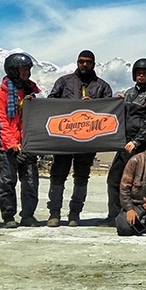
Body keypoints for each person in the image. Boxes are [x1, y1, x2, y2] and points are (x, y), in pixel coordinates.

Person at [44, 50, 111, 227]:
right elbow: (50, 103)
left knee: (82, 177)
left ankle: (75, 214)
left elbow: (109, 111)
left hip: (88, 141)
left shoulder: (102, 86)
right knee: (58, 175)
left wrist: (94, 105)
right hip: (64, 139)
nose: (84, 65)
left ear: (93, 64)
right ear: (77, 62)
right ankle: (54, 212)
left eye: (88, 62)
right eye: (81, 61)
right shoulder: (64, 82)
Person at [105, 58, 146, 225]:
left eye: (144, 73)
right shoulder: (128, 93)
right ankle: (114, 215)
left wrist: (137, 142)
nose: (141, 75)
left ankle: (143, 217)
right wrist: (116, 102)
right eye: (138, 73)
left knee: (139, 183)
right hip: (124, 144)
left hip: (139, 147)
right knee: (114, 180)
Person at [0, 52, 41, 228]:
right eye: (23, 69)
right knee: (8, 182)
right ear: (13, 70)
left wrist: (31, 104)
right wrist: (12, 144)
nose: (26, 72)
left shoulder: (31, 92)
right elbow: (2, 121)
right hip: (8, 147)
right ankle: (8, 216)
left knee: (31, 182)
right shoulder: (1, 95)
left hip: (28, 145)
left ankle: (28, 215)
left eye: (28, 69)